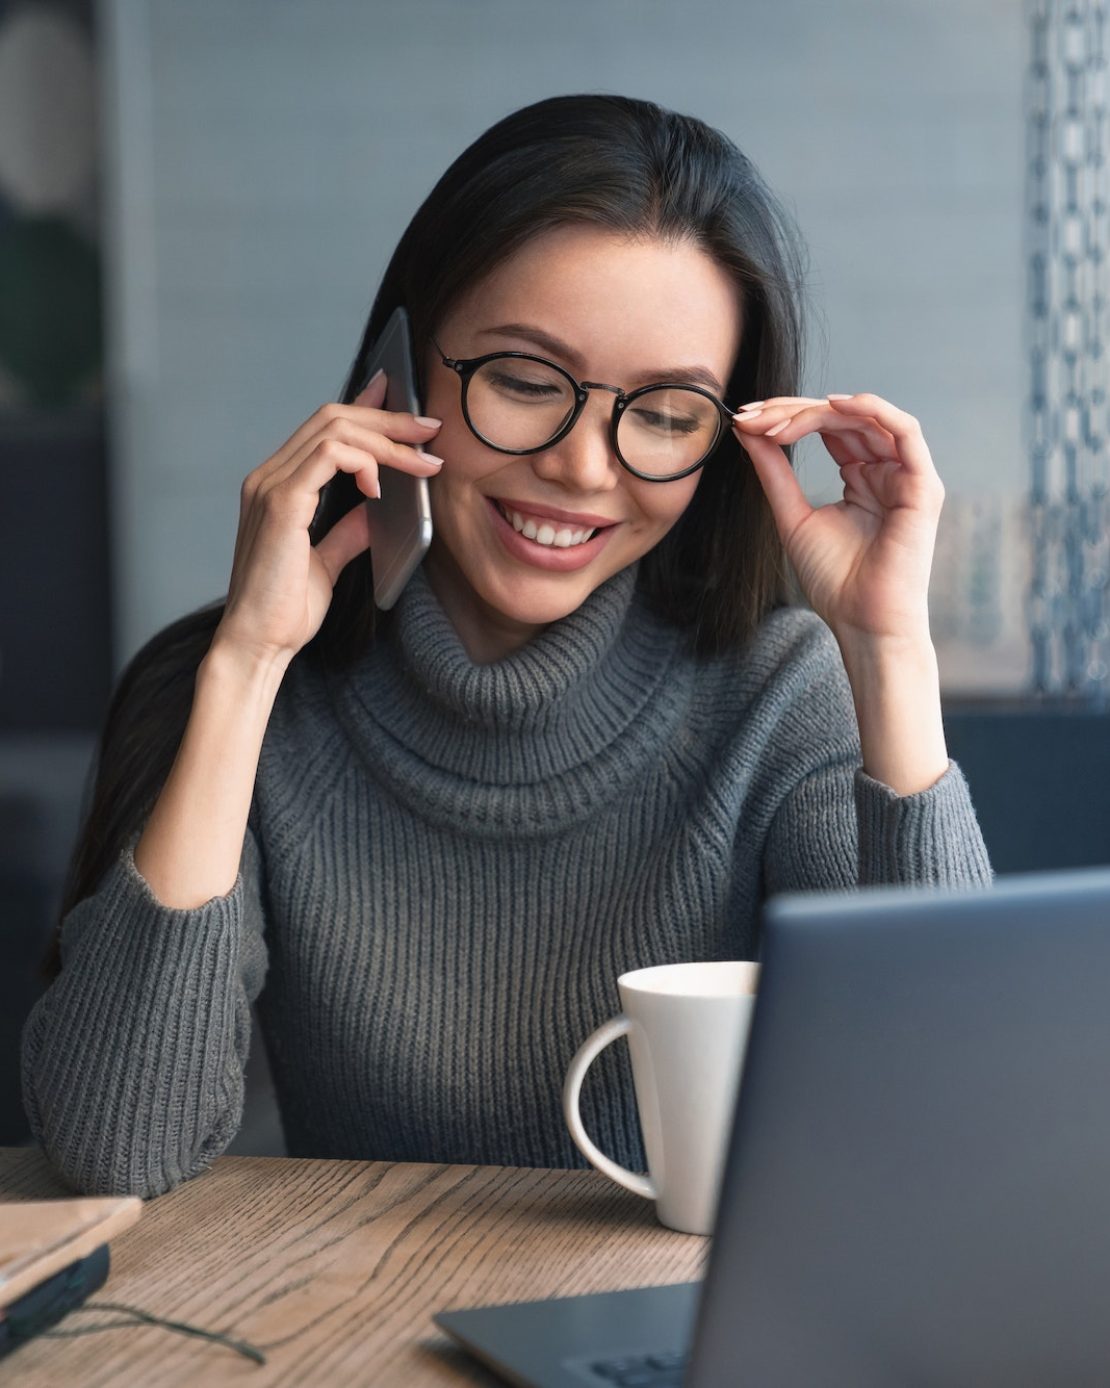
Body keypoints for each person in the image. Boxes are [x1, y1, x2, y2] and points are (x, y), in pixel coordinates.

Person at [22, 93, 991, 1199]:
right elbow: (115, 1147)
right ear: (401, 364)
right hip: (355, 1336)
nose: (585, 467)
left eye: (668, 413)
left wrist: (886, 651)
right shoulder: (242, 695)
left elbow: (950, 1120)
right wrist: (243, 665)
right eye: (527, 382)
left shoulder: (774, 695)